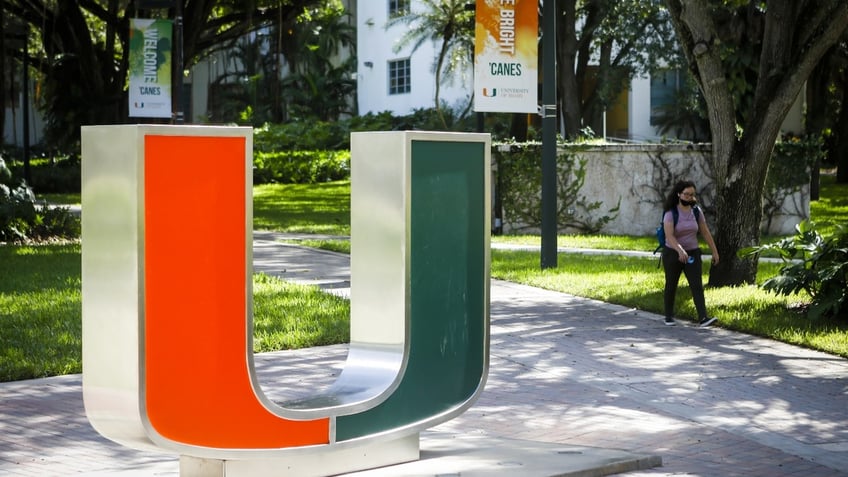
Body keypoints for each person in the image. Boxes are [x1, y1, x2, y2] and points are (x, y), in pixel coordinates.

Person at [661, 180, 720, 327]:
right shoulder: (670, 213)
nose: (689, 197)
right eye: (686, 194)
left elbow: (705, 232)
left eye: (692, 195)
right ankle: (668, 316)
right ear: (679, 194)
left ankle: (703, 317)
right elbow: (669, 236)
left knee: (696, 285)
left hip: (693, 252)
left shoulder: (696, 211)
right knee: (671, 284)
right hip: (673, 253)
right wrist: (680, 250)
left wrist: (714, 251)